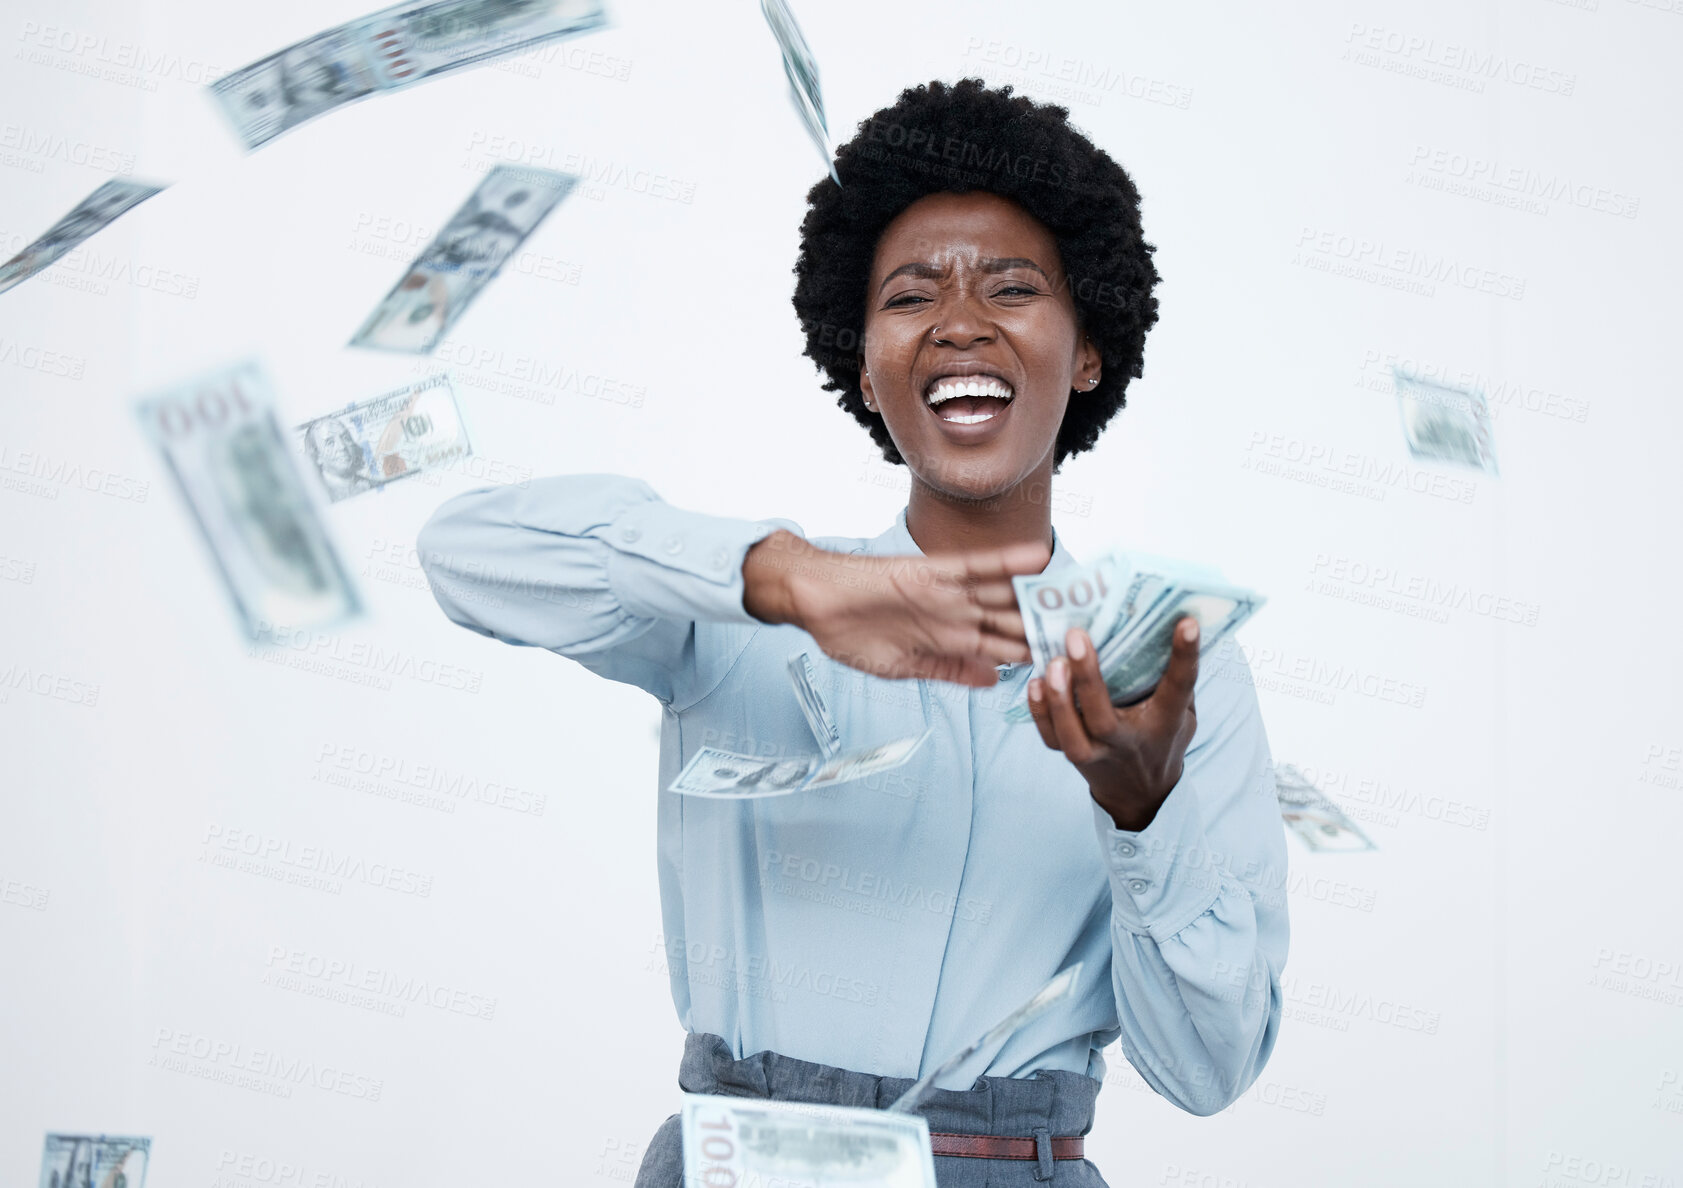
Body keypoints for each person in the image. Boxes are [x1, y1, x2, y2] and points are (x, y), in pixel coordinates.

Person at [417, 78, 1289, 1187]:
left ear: (1087, 350)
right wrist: (778, 577)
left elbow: (1210, 1071)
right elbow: (462, 553)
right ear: (864, 366)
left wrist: (1145, 813)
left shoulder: (1176, 673)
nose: (961, 322)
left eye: (1013, 289)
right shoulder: (744, 618)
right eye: (911, 296)